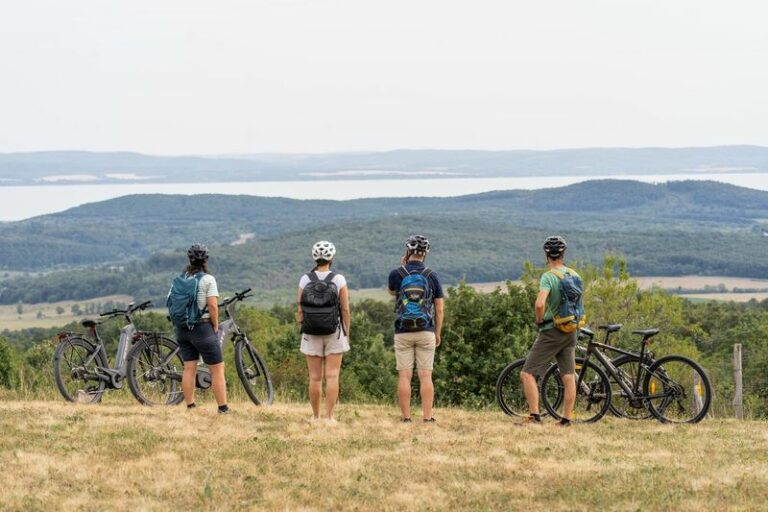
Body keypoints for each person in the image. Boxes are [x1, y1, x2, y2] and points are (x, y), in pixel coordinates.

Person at [520, 235, 579, 426]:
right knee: (568, 375)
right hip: (571, 329)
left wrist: (539, 320)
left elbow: (539, 304)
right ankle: (566, 419)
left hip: (552, 331)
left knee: (527, 373)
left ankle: (535, 416)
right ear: (563, 253)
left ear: (547, 255)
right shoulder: (574, 275)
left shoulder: (548, 276)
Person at [388, 235, 444, 423]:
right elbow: (440, 308)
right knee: (425, 375)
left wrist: (402, 265)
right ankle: (427, 418)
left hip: (403, 331)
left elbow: (391, 292)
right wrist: (437, 332)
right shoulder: (432, 275)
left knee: (404, 375)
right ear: (425, 253)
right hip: (426, 330)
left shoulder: (397, 274)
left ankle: (406, 417)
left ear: (408, 251)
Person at [297, 241, 351, 424]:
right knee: (333, 375)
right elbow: (345, 310)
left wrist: (302, 324)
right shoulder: (339, 279)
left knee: (315, 377)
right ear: (332, 257)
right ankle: (329, 417)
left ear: (314, 257)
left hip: (310, 332)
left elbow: (299, 308)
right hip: (334, 332)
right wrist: (346, 332)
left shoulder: (305, 279)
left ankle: (314, 416)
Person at [174, 244, 229, 413]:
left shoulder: (180, 278)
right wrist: (215, 324)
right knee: (217, 369)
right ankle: (223, 408)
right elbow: (212, 305)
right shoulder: (208, 279)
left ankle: (190, 406)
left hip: (182, 329)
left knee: (189, 368)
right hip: (202, 328)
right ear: (206, 259)